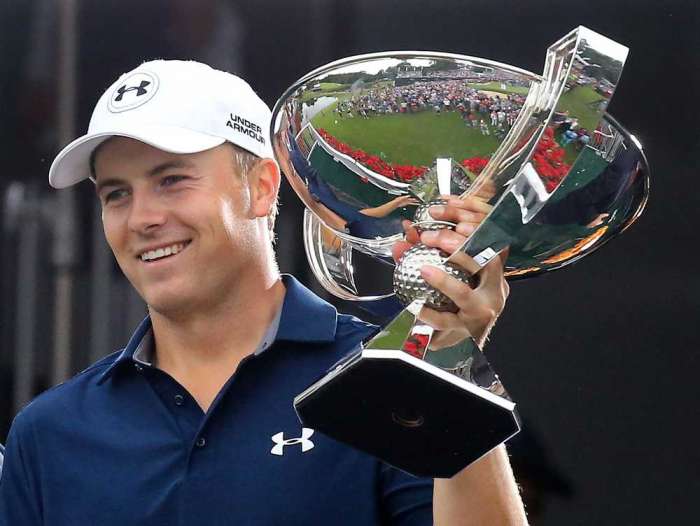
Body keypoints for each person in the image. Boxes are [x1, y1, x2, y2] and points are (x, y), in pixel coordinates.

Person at [0, 60, 526, 525]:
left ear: (262, 187)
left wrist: (448, 368)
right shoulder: (49, 433)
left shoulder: (383, 379)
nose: (142, 218)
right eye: (117, 194)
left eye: (172, 180)